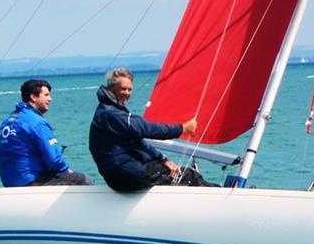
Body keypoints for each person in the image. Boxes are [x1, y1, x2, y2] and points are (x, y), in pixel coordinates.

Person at [89, 67, 219, 192]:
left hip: (121, 175)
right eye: (123, 89)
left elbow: (138, 140)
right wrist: (182, 128)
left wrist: (162, 158)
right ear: (111, 88)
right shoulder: (111, 113)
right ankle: (220, 196)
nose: (127, 93)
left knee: (178, 172)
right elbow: (146, 129)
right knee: (189, 176)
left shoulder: (109, 109)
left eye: (130, 90)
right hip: (126, 176)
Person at [0, 79, 94, 187]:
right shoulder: (36, 122)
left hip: (9, 181)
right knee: (85, 180)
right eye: (46, 95)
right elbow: (53, 158)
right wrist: (65, 169)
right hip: (30, 180)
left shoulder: (8, 120)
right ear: (33, 97)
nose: (50, 99)